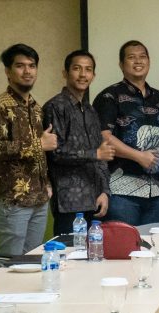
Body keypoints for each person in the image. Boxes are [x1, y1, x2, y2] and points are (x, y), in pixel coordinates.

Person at [92, 40, 159, 227]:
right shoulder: (109, 96)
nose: (138, 61)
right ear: (121, 64)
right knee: (124, 250)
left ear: (149, 61)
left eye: (142, 56)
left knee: (151, 250)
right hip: (121, 192)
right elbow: (103, 137)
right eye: (131, 57)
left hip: (156, 191)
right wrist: (138, 156)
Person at [0, 43, 56, 255]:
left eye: (32, 66)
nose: (27, 71)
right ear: (8, 71)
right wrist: (39, 144)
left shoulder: (36, 108)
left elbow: (42, 156)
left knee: (32, 262)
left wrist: (47, 184)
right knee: (8, 265)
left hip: (39, 199)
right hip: (13, 200)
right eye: (20, 66)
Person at [43, 50, 113, 236]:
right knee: (69, 257)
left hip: (95, 199)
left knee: (94, 257)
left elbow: (102, 154)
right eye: (77, 69)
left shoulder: (90, 110)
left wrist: (105, 191)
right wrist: (94, 154)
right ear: (65, 73)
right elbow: (55, 153)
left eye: (88, 70)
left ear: (93, 75)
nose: (83, 75)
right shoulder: (55, 107)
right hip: (69, 200)